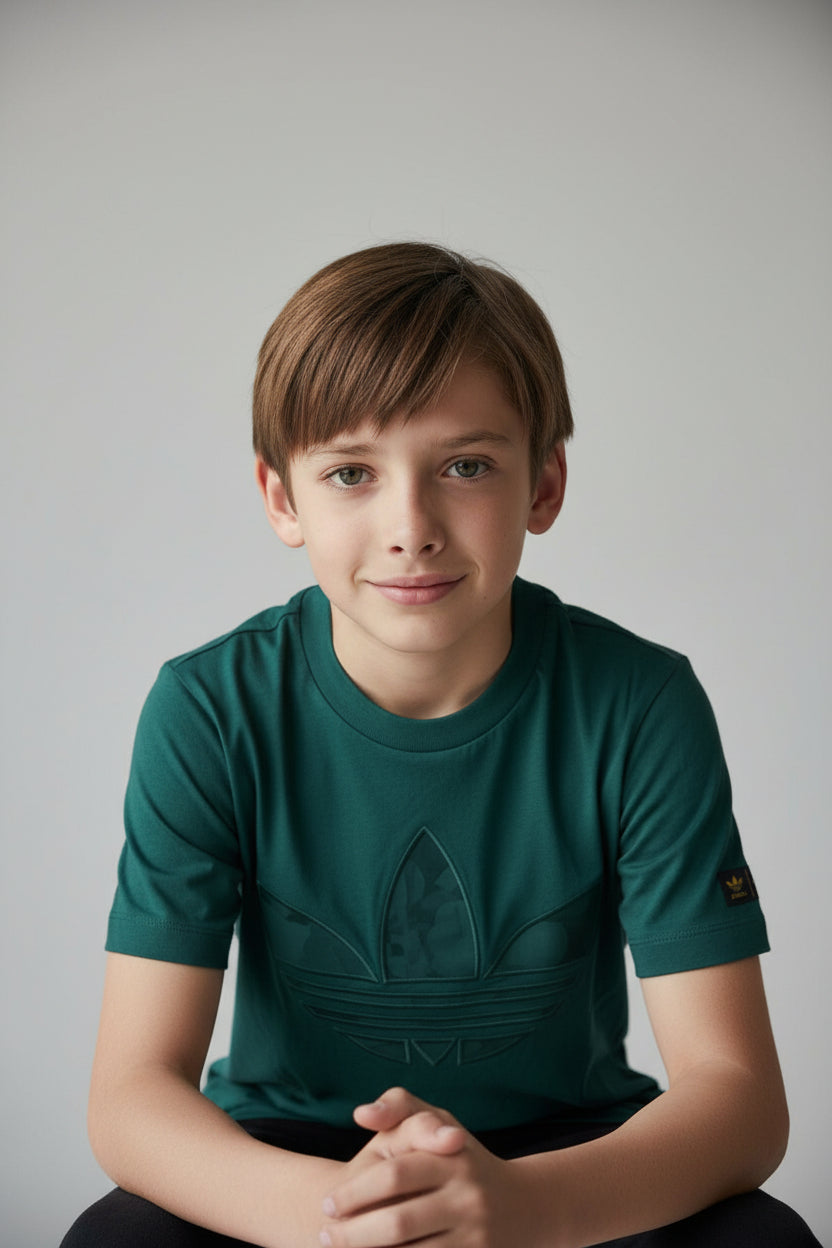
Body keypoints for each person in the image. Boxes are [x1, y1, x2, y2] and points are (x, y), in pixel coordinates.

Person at [62, 243, 821, 1248]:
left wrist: (521, 1212)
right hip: (287, 1162)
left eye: (465, 466)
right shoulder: (209, 706)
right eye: (350, 473)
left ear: (543, 486)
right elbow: (131, 1097)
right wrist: (339, 1220)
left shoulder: (638, 702)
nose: (409, 526)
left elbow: (736, 1100)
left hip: (568, 1157)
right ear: (281, 497)